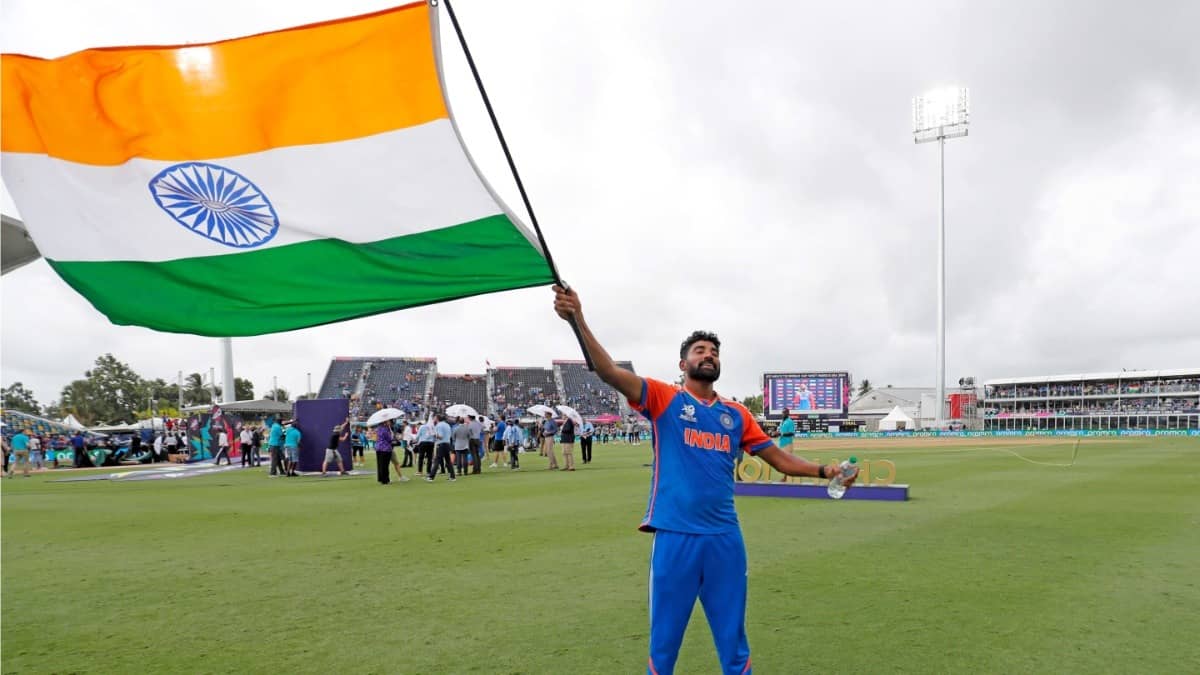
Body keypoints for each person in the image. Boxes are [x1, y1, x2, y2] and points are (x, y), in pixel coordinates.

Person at [552, 285, 856, 675]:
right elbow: (609, 372)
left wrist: (825, 471)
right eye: (700, 351)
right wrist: (577, 317)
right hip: (675, 536)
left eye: (713, 352)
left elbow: (779, 459)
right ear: (683, 365)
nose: (708, 355)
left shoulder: (737, 414)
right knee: (664, 646)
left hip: (724, 540)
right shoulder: (665, 398)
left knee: (733, 642)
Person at [427, 414, 456, 482]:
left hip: (441, 444)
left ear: (437, 418)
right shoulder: (447, 425)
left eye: (434, 418)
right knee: (448, 461)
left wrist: (433, 434)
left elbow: (441, 436)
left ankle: (431, 477)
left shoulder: (439, 425)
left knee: (437, 460)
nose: (433, 419)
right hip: (447, 443)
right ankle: (452, 476)